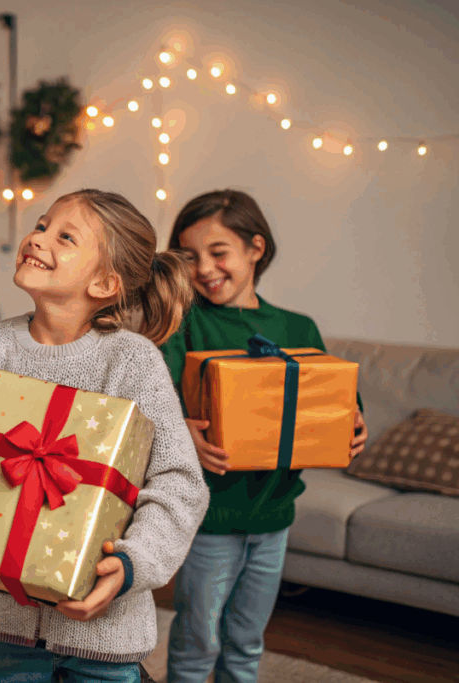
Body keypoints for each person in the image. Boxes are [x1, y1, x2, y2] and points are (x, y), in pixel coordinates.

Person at [0, 189, 209, 683]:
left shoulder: (132, 362)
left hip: (106, 635)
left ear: (105, 281)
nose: (38, 238)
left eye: (64, 236)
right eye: (42, 224)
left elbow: (180, 483)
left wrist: (133, 565)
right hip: (3, 627)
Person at [160, 189, 368, 683]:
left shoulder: (296, 327)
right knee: (197, 640)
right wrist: (182, 431)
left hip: (274, 517)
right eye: (190, 257)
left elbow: (333, 395)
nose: (205, 269)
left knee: (247, 641)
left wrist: (354, 422)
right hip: (208, 517)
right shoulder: (183, 323)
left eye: (218, 252)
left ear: (256, 248)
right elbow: (157, 396)